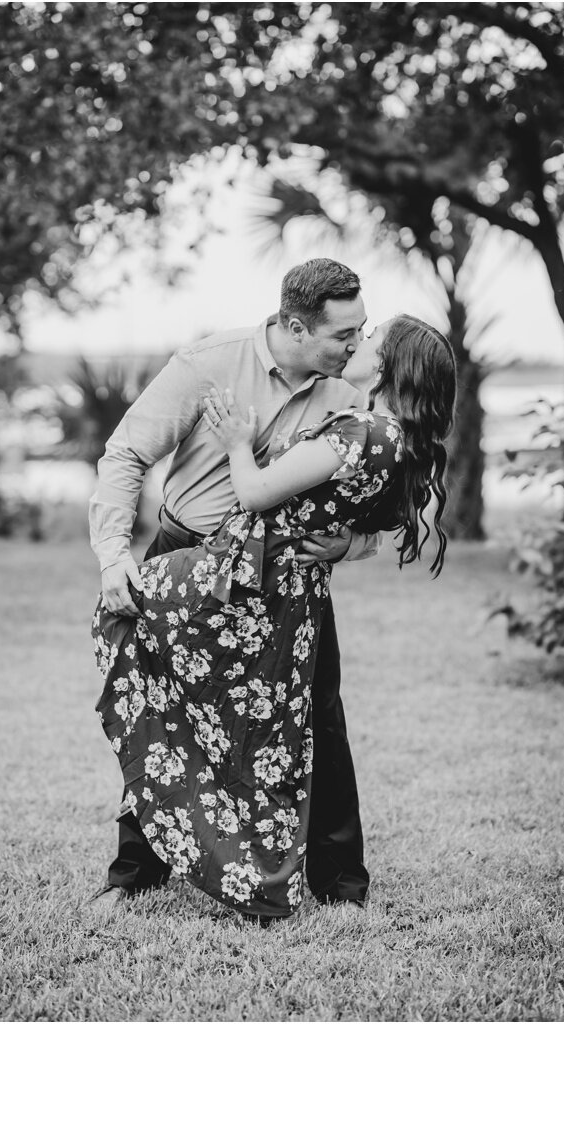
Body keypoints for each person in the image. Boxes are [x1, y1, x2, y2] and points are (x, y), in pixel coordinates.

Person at [92, 309, 456, 919]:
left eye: (363, 334)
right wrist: (111, 555)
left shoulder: (354, 402)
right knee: (170, 700)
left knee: (317, 720)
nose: (353, 343)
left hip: (287, 583)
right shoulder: (211, 365)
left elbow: (375, 507)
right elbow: (127, 453)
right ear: (297, 325)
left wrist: (350, 546)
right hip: (193, 553)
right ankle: (138, 869)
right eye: (345, 332)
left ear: (386, 364)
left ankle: (339, 880)